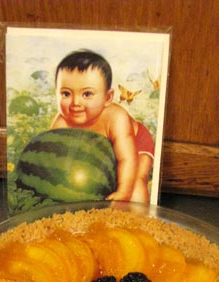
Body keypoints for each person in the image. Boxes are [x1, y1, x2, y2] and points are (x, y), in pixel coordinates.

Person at [51, 49, 155, 203]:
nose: (75, 103)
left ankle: (139, 215)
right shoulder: (61, 123)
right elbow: (55, 161)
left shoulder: (116, 118)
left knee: (136, 181)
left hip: (135, 144)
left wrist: (123, 192)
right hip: (104, 152)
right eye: (66, 94)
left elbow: (126, 158)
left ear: (108, 97)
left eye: (87, 94)